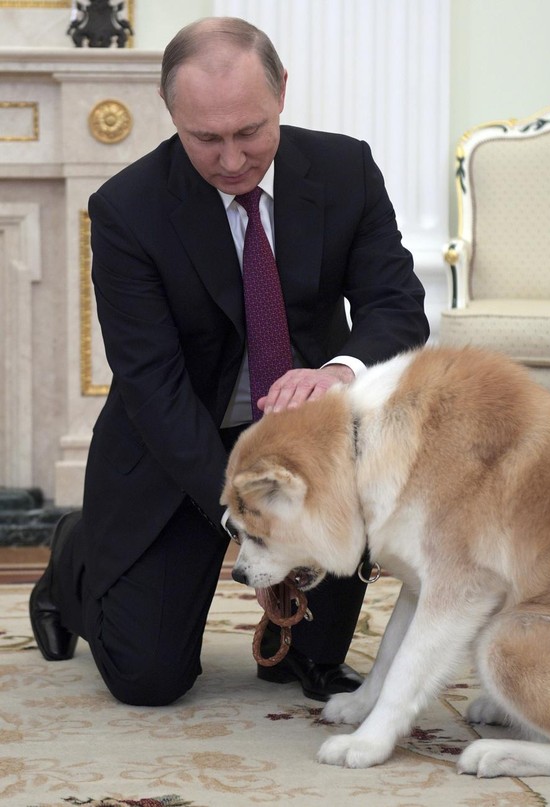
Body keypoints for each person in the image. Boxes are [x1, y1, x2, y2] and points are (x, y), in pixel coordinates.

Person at [29, 16, 429, 707]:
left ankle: (303, 641)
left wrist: (339, 372)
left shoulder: (345, 171)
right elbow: (151, 385)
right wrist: (250, 508)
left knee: (302, 665)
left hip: (311, 436)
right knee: (148, 676)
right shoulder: (126, 210)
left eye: (250, 132)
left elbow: (397, 308)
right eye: (206, 139)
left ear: (282, 95)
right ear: (172, 114)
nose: (233, 159)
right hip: (179, 439)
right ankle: (73, 558)